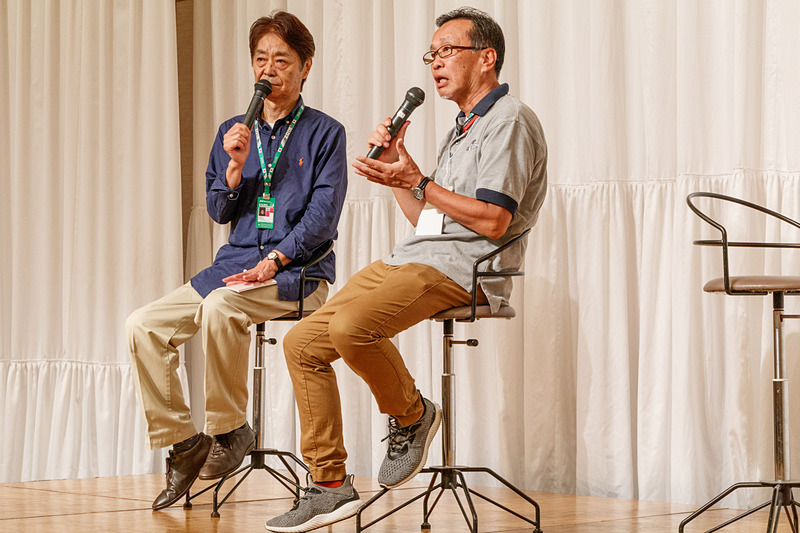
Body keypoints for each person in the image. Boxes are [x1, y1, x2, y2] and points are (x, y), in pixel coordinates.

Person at [265, 6, 547, 532]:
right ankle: (328, 485)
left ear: (486, 59)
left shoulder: (510, 121)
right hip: (416, 257)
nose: (435, 63)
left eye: (446, 52)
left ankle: (414, 416)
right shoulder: (464, 127)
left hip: (465, 270)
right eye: (431, 55)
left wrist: (418, 181)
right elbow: (429, 218)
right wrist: (399, 169)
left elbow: (492, 219)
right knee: (302, 342)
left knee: (352, 327)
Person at [125, 11, 347, 511]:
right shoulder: (234, 129)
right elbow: (218, 210)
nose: (268, 70)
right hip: (234, 265)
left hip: (297, 272)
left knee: (224, 306)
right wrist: (232, 170)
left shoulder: (325, 132)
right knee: (143, 325)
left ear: (305, 66)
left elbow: (323, 216)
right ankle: (184, 444)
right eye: (260, 60)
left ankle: (229, 432)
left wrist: (275, 259)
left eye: (281, 61)